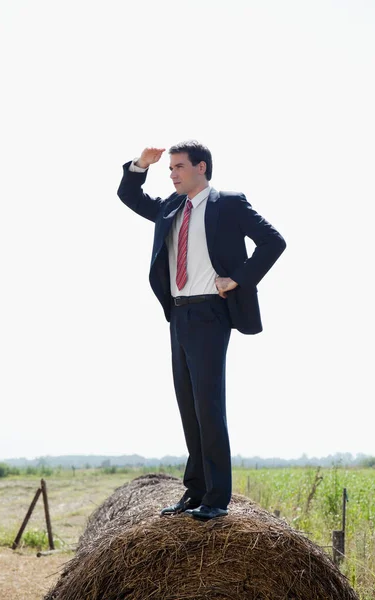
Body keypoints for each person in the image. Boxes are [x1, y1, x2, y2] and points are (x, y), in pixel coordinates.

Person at [117, 141, 286, 521]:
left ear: (201, 167)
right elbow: (128, 194)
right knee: (188, 406)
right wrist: (141, 164)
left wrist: (238, 280)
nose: (172, 173)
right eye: (170, 168)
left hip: (211, 312)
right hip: (177, 315)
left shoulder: (228, 203)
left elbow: (274, 242)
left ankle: (216, 497)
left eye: (178, 166)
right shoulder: (170, 208)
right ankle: (194, 492)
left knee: (208, 406)